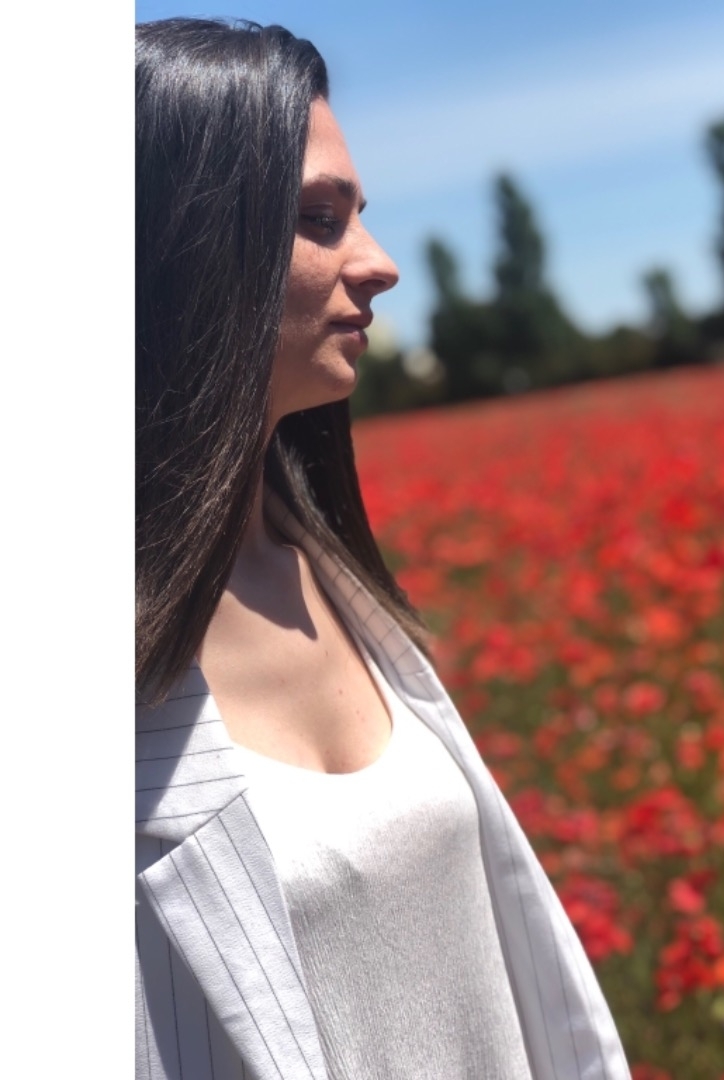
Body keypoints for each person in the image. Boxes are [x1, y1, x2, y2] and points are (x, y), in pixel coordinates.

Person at [135, 17, 630, 1080]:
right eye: (320, 220)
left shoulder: (329, 579)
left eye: (361, 216)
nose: (382, 265)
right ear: (171, 246)